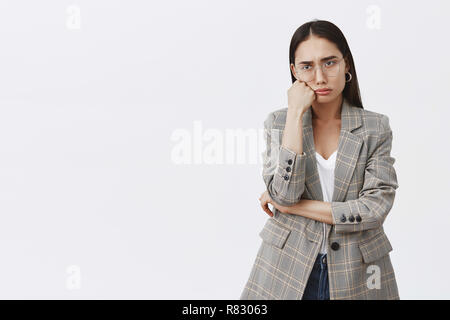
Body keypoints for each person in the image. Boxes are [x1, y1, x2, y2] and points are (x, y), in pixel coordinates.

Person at [240, 19, 399, 300]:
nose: (320, 77)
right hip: (287, 267)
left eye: (329, 63)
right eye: (306, 67)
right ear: (294, 71)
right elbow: (284, 194)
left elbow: (374, 210)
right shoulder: (279, 123)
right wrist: (294, 114)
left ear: (346, 64)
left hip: (359, 273)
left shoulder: (375, 127)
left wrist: (294, 207)